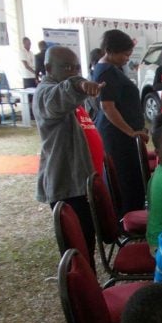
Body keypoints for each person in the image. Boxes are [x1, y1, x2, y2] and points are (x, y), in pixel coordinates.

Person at [33, 46, 105, 267]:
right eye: (66, 67)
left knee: (87, 246)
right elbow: (61, 96)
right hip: (67, 186)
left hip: (81, 183)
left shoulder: (72, 94)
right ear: (47, 68)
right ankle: (83, 299)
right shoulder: (46, 93)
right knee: (78, 253)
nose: (73, 71)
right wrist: (79, 83)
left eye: (76, 67)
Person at [93, 29, 148, 217]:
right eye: (124, 54)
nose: (127, 58)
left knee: (132, 177)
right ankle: (128, 218)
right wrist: (130, 131)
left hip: (123, 134)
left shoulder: (112, 69)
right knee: (125, 180)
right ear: (109, 50)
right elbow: (108, 107)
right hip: (118, 136)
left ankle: (133, 213)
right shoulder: (106, 72)